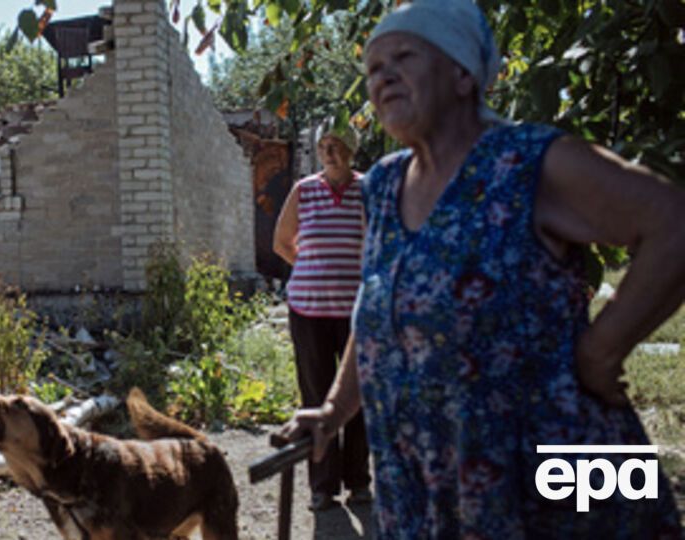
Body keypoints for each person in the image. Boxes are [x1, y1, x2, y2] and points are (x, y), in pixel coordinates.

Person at [280, 0, 684, 537]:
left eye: (404, 56)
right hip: (425, 475)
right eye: (374, 67)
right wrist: (334, 408)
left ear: (462, 73)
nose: (383, 76)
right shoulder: (381, 185)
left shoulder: (529, 160)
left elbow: (673, 223)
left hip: (553, 465)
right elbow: (377, 309)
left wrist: (601, 350)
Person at [273, 118, 371, 511]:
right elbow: (282, 242)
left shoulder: (368, 189)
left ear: (351, 149)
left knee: (358, 397)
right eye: (323, 146)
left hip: (356, 314)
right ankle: (323, 486)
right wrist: (311, 267)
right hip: (308, 311)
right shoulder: (304, 190)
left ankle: (359, 481)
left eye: (336, 145)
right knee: (316, 395)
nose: (328, 152)